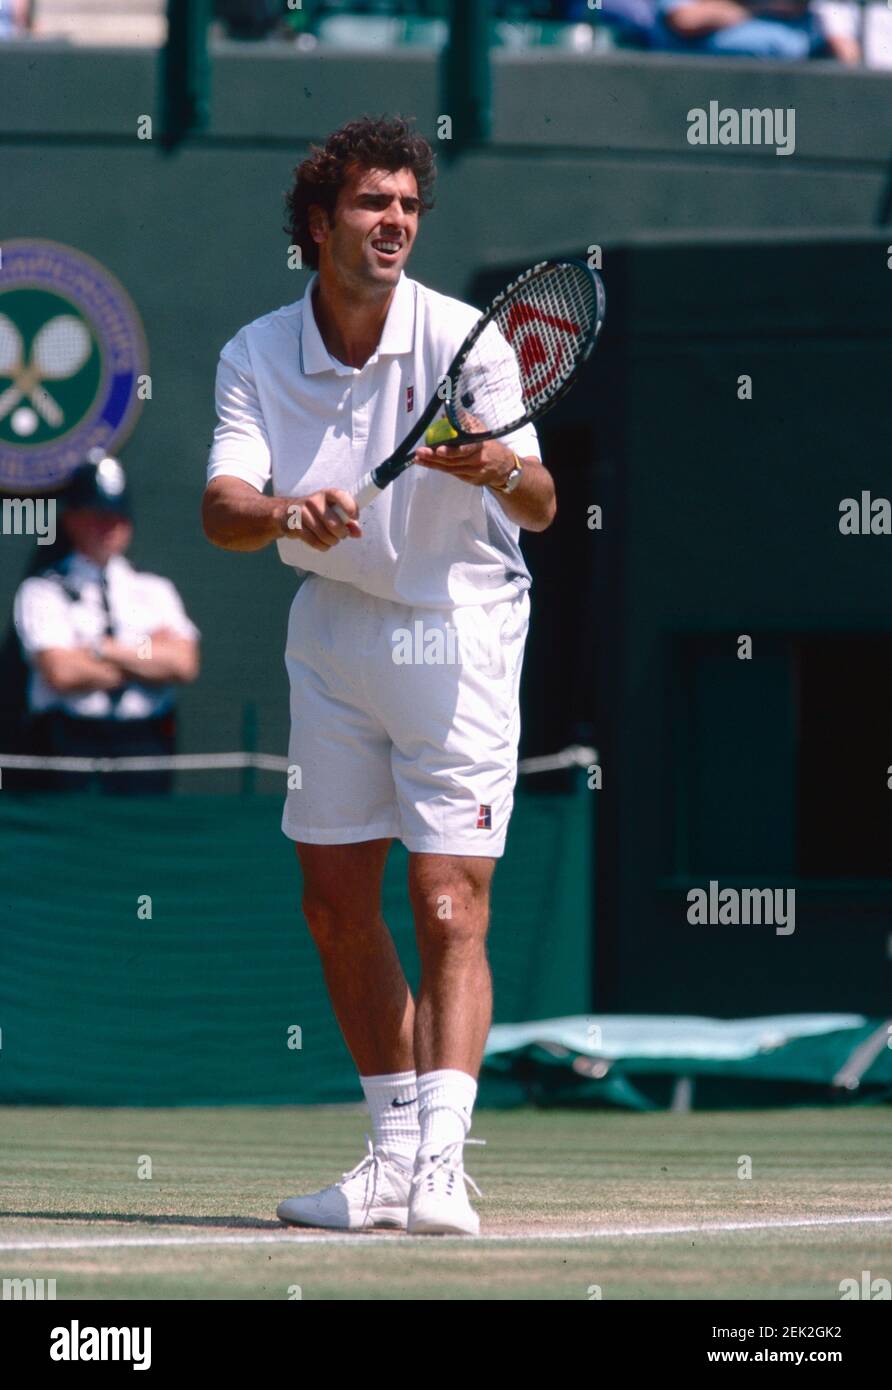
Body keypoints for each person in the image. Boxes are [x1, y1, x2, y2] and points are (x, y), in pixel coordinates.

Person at [202, 115, 551, 1235]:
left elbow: (539, 504)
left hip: (458, 625)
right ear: (318, 222)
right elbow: (221, 512)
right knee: (333, 903)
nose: (394, 220)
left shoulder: (467, 343)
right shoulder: (255, 352)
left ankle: (443, 1165)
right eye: (370, 203)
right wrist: (283, 509)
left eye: (407, 205)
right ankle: (392, 1158)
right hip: (335, 631)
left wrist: (496, 461)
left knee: (446, 899)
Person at [13, 452, 200, 794]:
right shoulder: (43, 591)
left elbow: (183, 663)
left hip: (144, 748)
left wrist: (100, 649)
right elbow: (62, 672)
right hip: (70, 747)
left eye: (117, 516)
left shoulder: (155, 591)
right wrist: (145, 657)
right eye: (96, 515)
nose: (108, 526)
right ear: (72, 519)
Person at [651, 0, 860, 61]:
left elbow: (848, 58)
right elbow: (685, 19)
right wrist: (761, 6)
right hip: (703, 105)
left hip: (790, 107)